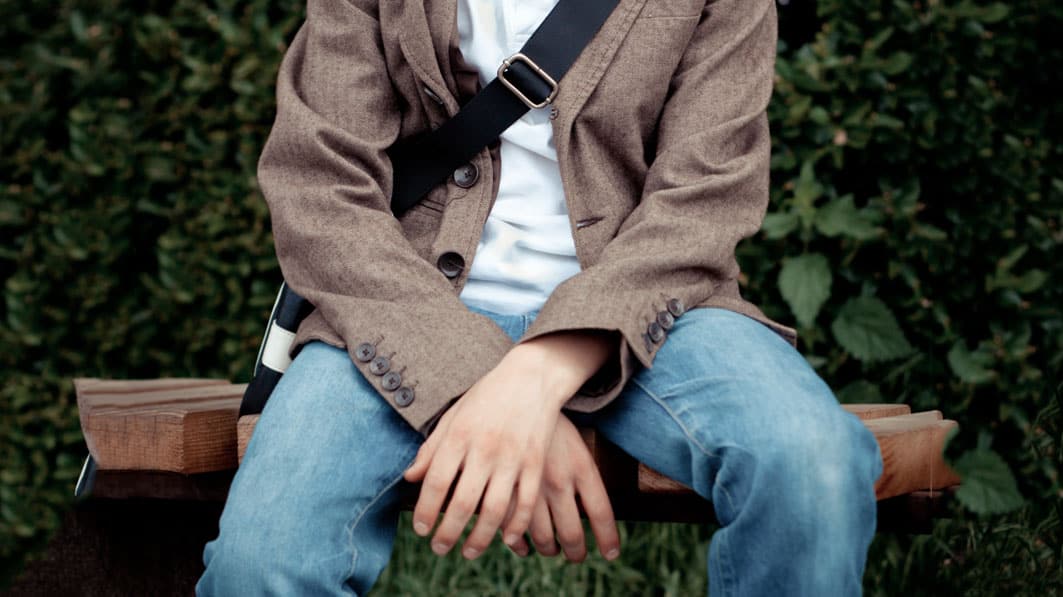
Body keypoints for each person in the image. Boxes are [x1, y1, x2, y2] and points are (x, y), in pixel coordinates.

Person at [196, 0, 884, 594]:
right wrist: (476, 376)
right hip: (403, 305)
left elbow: (704, 203)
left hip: (652, 307)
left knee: (812, 463)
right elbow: (320, 188)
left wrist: (536, 374)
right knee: (260, 563)